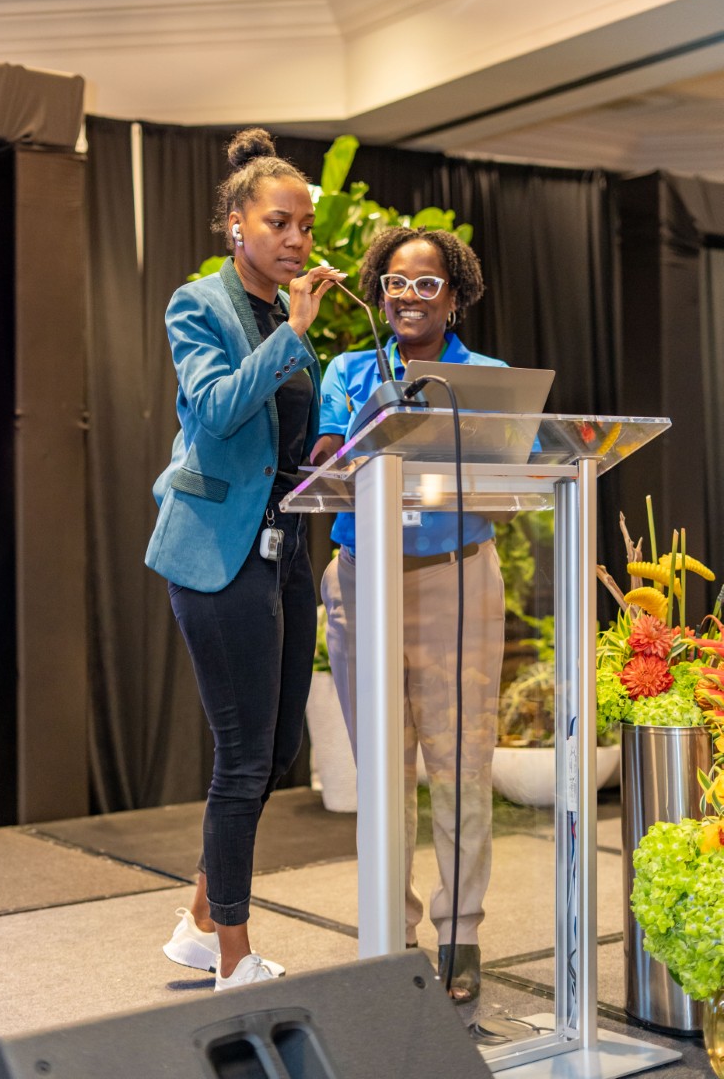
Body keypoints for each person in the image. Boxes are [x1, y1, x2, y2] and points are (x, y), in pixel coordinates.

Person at [146, 128, 345, 992]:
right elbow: (219, 410)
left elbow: (281, 443)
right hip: (218, 554)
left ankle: (199, 921)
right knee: (241, 757)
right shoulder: (200, 306)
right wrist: (295, 331)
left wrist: (337, 449)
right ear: (237, 225)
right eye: (278, 223)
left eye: (305, 226)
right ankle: (233, 957)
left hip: (285, 551)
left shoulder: (283, 320)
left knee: (273, 751)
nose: (297, 239)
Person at [311, 226, 506, 1004]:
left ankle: (461, 936)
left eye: (427, 284)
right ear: (379, 290)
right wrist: (370, 427)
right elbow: (324, 463)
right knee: (383, 768)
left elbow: (513, 482)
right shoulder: (350, 370)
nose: (408, 296)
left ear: (454, 298)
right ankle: (391, 936)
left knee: (461, 766)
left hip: (457, 577)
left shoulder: (488, 379)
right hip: (363, 578)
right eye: (396, 282)